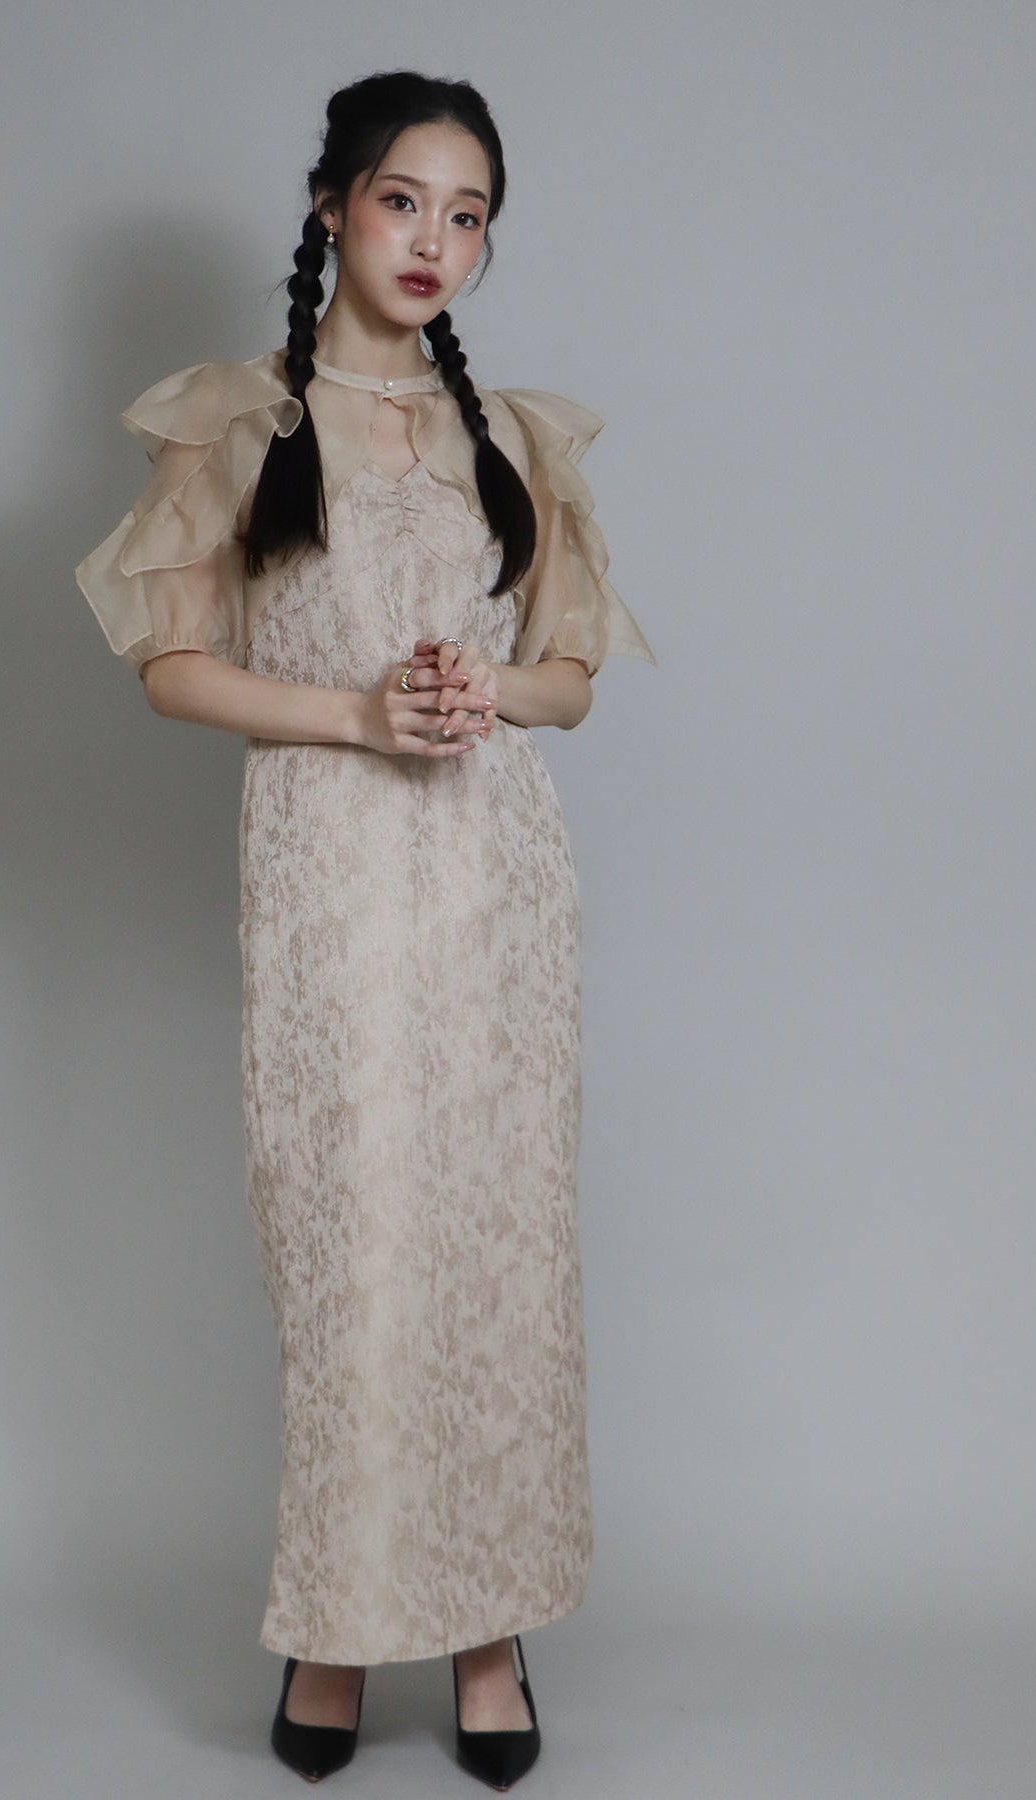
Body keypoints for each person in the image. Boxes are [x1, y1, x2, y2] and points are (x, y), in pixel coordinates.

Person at [75, 69, 657, 1789]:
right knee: (351, 1254)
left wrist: (490, 691)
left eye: (469, 217)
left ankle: (488, 1632)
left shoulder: (512, 438)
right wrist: (354, 712)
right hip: (329, 871)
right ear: (332, 203)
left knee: (496, 1248)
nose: (434, 242)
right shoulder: (242, 422)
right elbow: (171, 669)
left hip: (494, 881)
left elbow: (571, 676)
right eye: (406, 200)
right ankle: (333, 1623)